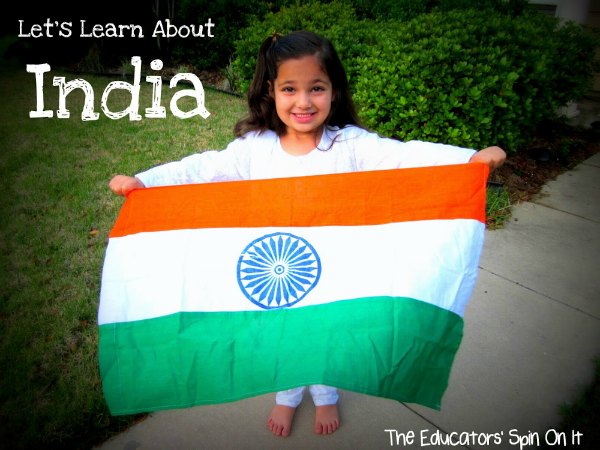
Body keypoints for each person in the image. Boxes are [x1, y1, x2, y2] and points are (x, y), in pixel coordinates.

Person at [109, 30, 506, 438]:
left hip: (334, 269)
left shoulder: (348, 146)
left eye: (316, 88)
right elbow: (198, 170)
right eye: (290, 89)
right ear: (271, 91)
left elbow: (404, 157)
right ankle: (287, 395)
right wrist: (145, 182)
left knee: (327, 334)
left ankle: (326, 393)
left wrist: (467, 162)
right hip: (275, 268)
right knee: (283, 332)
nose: (303, 102)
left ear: (333, 91)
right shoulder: (254, 148)